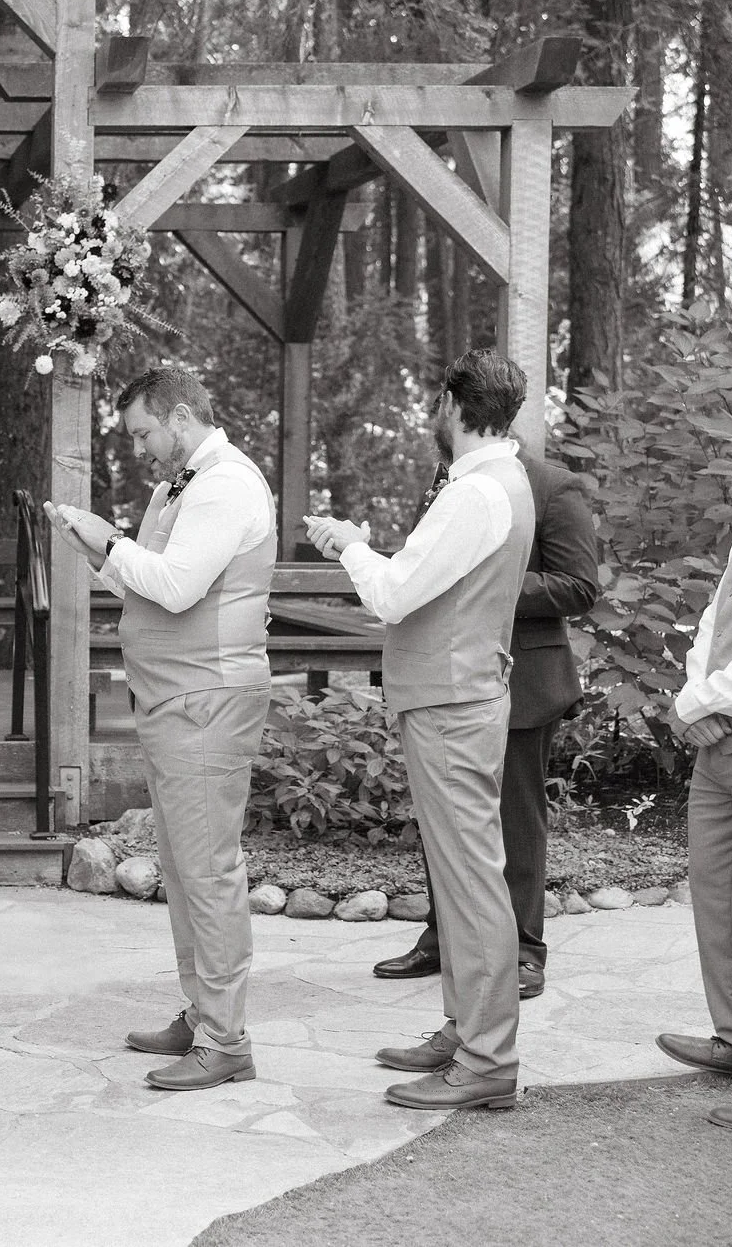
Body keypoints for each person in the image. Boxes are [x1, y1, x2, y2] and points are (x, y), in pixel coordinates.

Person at [305, 348, 534, 1113]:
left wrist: (349, 543)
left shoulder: (474, 494)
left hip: (451, 703)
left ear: (453, 404)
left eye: (437, 403)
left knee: (469, 882)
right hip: (457, 696)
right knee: (462, 875)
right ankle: (465, 1028)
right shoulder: (498, 482)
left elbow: (396, 595)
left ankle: (487, 1056)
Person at [47, 367, 274, 1091]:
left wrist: (108, 537)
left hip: (208, 697)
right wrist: (93, 546)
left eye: (144, 432)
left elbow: (177, 585)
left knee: (207, 868)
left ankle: (226, 1038)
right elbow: (145, 580)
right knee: (180, 865)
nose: (141, 448)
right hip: (175, 697)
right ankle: (201, 1010)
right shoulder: (177, 486)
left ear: (180, 417)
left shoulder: (224, 484)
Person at [374, 457, 598, 999]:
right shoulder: (449, 480)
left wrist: (482, 582)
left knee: (515, 818)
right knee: (448, 814)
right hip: (452, 673)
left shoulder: (551, 484)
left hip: (524, 677)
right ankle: (445, 936)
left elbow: (579, 586)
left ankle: (522, 951)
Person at [658, 412, 732, 1133]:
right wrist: (690, 703)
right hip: (717, 741)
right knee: (719, 895)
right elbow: (712, 621)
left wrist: (701, 701)